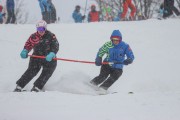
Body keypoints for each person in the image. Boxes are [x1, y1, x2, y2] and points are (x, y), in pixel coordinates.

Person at [14, 20, 59, 92]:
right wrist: (25, 50)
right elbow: (28, 45)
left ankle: (37, 87)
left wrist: (52, 53)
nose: (41, 31)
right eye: (39, 29)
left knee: (47, 72)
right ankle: (19, 86)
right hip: (36, 57)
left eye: (42, 29)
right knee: (31, 71)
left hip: (49, 58)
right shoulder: (34, 36)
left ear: (45, 28)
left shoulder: (51, 36)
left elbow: (55, 46)